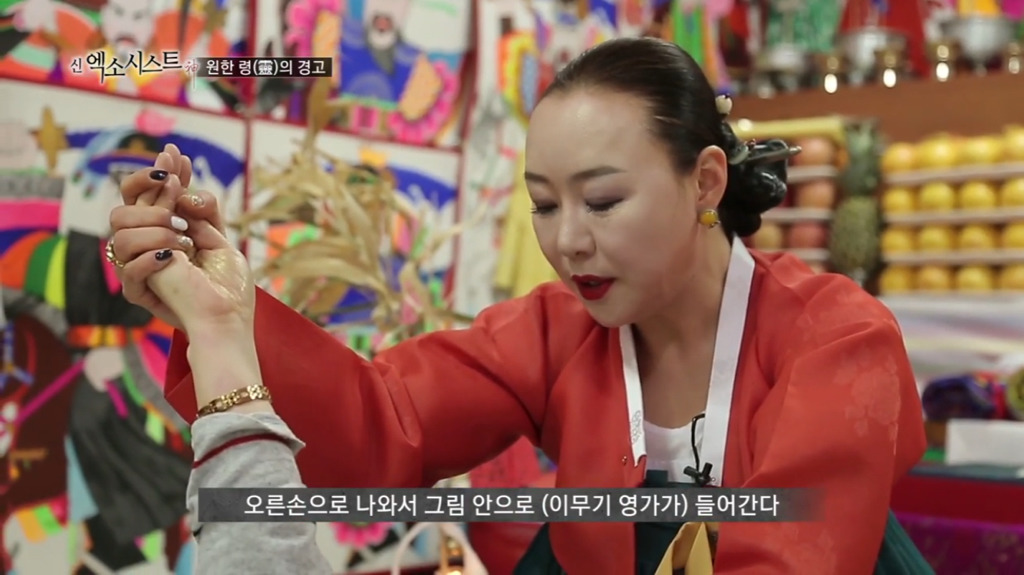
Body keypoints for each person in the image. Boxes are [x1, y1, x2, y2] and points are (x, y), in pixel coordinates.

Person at [108, 38, 930, 574]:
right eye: (544, 204)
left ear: (705, 182)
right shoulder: (556, 330)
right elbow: (380, 422)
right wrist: (221, 312)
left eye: (602, 201)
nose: (567, 240)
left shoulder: (835, 336)